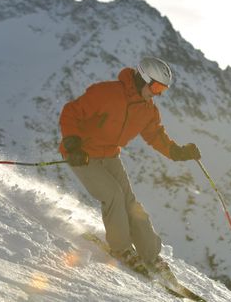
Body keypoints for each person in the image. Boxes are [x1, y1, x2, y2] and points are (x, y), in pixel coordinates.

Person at [58, 57, 201, 277]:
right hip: (82, 154)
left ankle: (151, 255)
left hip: (110, 155)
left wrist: (178, 152)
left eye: (163, 89)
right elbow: (71, 111)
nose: (158, 93)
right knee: (113, 195)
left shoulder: (148, 110)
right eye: (156, 87)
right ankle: (122, 249)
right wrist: (72, 142)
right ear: (142, 78)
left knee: (130, 202)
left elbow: (156, 136)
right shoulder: (106, 93)